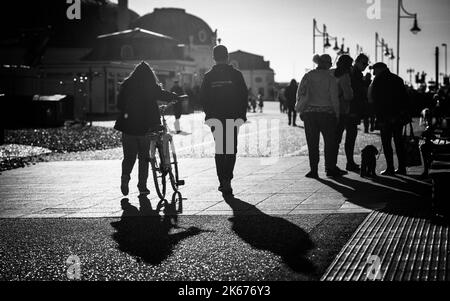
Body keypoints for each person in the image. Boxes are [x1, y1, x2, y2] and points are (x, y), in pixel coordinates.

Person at [114, 61, 180, 196]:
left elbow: (119, 104)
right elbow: (162, 94)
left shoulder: (126, 85)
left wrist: (129, 112)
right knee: (144, 158)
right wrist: (174, 97)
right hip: (145, 128)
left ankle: (125, 177)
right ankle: (142, 187)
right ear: (150, 74)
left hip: (127, 128)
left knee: (128, 157)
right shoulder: (150, 85)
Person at [200, 45, 248, 196]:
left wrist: (209, 115)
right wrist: (242, 115)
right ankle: (227, 179)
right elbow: (243, 96)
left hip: (215, 117)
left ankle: (223, 181)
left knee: (220, 149)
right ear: (227, 57)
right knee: (231, 148)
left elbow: (203, 98)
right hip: (233, 116)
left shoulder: (208, 76)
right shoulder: (236, 75)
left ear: (213, 58)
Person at [297, 54, 347, 178]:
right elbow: (334, 98)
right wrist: (337, 114)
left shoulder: (308, 75)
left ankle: (313, 170)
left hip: (309, 114)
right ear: (326, 64)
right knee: (329, 143)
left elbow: (300, 93)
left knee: (312, 143)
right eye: (330, 64)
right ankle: (329, 168)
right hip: (327, 114)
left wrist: (301, 110)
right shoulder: (330, 78)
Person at [368, 62, 409, 175]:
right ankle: (402, 167)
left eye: (374, 70)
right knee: (398, 142)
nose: (373, 72)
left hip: (384, 117)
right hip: (397, 116)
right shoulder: (398, 79)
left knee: (386, 143)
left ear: (379, 69)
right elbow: (405, 98)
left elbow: (375, 100)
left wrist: (377, 117)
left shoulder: (378, 80)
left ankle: (390, 168)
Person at [333, 54, 358, 172]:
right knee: (340, 138)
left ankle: (331, 164)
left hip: (332, 109)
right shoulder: (345, 75)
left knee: (334, 138)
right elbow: (348, 95)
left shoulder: (332, 73)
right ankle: (334, 166)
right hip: (343, 109)